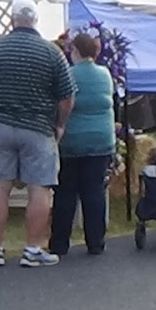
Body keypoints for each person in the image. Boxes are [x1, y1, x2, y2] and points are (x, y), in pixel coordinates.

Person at [0, 0, 76, 268]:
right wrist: (59, 123)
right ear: (35, 20)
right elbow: (67, 97)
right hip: (39, 128)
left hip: (0, 125)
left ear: (13, 19)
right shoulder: (51, 53)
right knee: (39, 188)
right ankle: (32, 249)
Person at [50, 33, 116, 257]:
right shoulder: (105, 75)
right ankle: (96, 242)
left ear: (75, 51)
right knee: (94, 191)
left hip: (73, 140)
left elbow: (60, 103)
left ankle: (60, 243)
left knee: (66, 192)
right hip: (101, 140)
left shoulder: (68, 75)